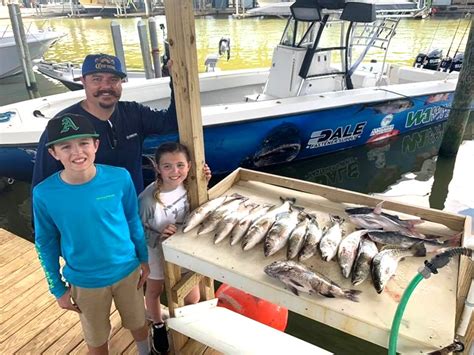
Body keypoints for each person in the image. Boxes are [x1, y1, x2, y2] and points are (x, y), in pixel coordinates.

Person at [33, 113, 151, 355]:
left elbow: (132, 220)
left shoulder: (120, 178)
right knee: (96, 338)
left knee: (139, 322)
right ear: (54, 153)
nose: (77, 152)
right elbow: (45, 242)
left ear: (96, 145)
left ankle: (144, 351)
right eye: (66, 146)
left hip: (127, 271)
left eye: (84, 143)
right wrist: (57, 287)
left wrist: (143, 258)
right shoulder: (44, 193)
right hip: (84, 281)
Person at [32, 53, 178, 194]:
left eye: (113, 79)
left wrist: (176, 79)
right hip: (93, 214)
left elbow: (171, 122)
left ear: (122, 82)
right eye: (97, 79)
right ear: (83, 81)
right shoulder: (62, 124)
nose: (106, 86)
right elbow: (42, 184)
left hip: (133, 208)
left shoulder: (134, 112)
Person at [138, 142, 211, 354]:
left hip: (183, 250)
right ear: (158, 168)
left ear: (189, 166)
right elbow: (136, 230)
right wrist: (158, 236)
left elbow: (199, 202)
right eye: (167, 166)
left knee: (192, 295)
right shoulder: (147, 200)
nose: (175, 171)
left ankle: (188, 324)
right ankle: (158, 325)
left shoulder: (189, 185)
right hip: (155, 253)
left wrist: (204, 179)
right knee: (154, 291)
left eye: (180, 165)